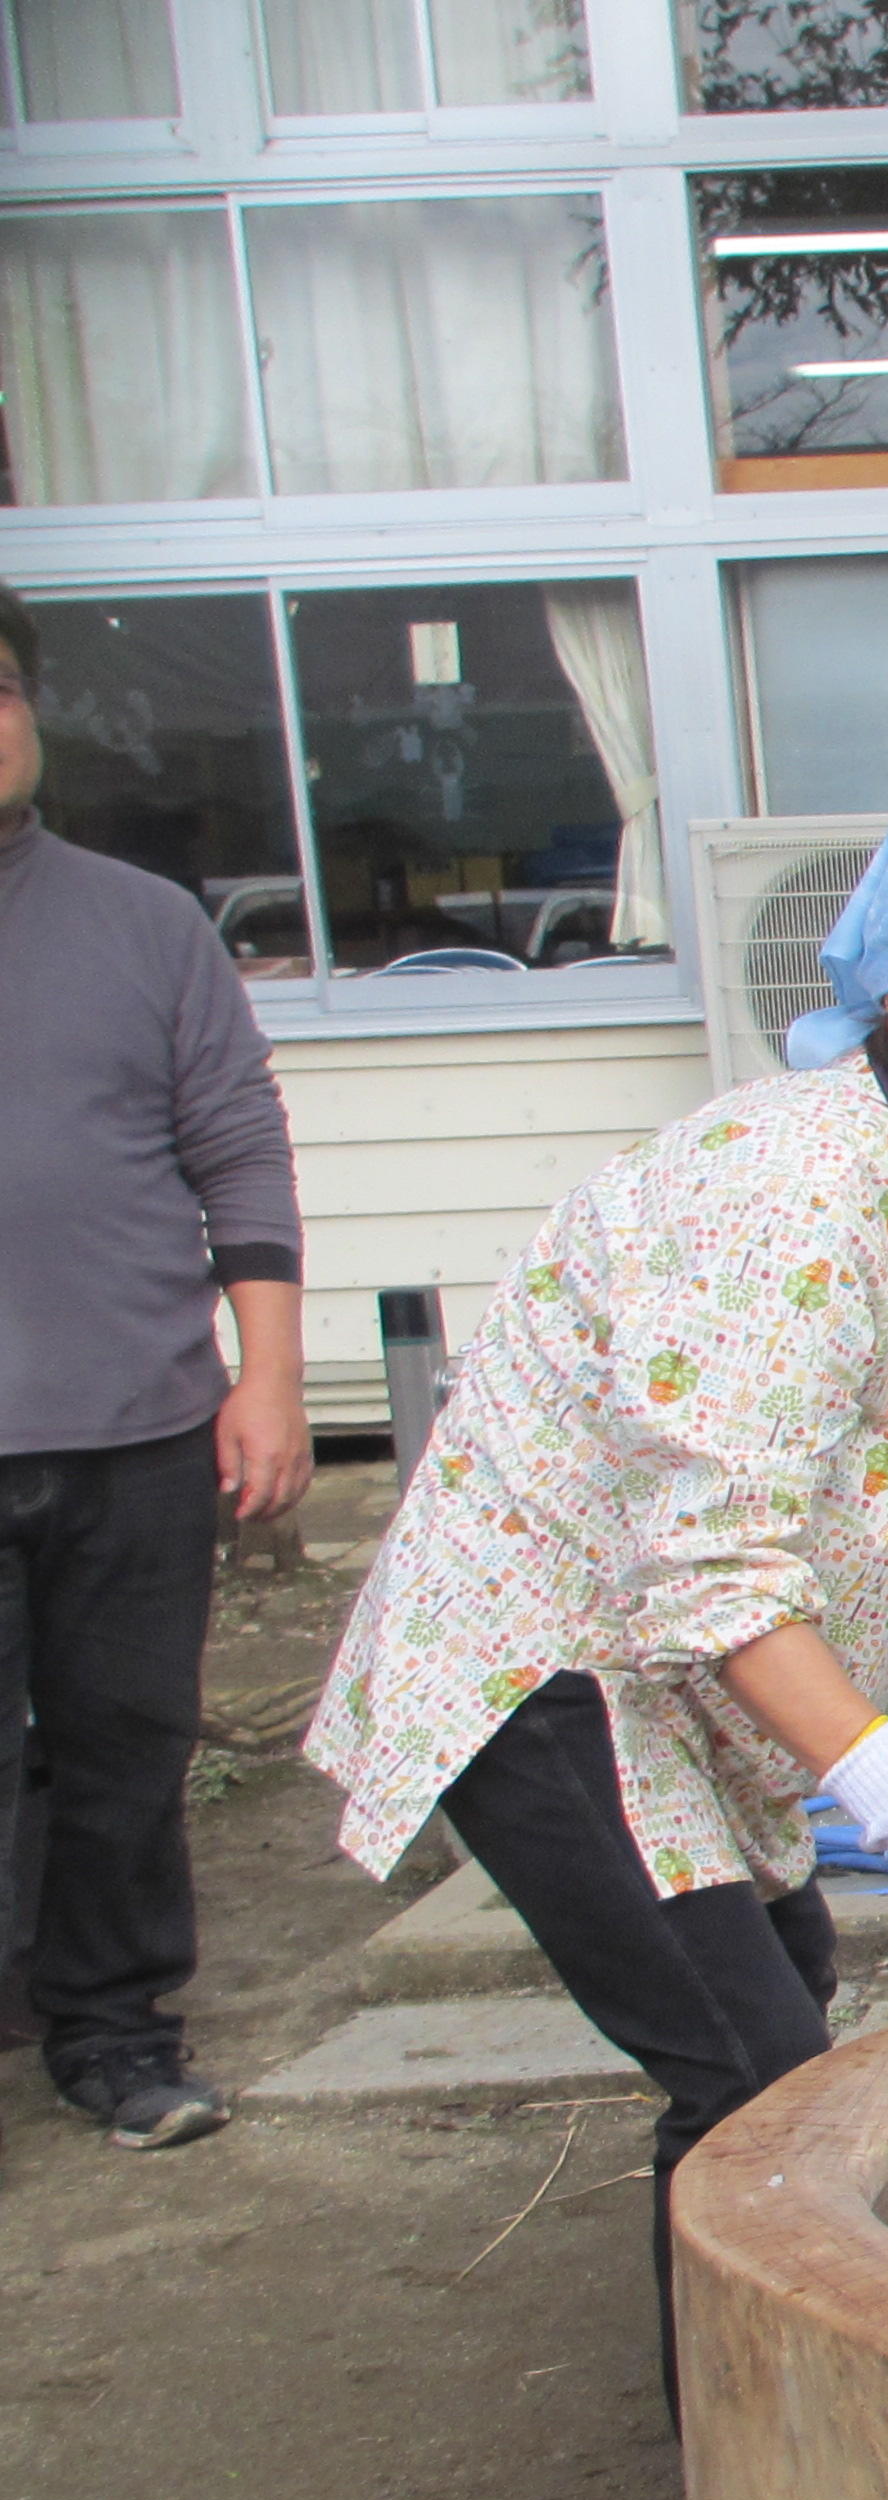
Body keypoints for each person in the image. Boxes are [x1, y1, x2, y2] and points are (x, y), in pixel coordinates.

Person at [308, 807, 888, 2409]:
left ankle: (753, 2427)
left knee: (778, 1997)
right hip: (551, 1656)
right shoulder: (785, 1196)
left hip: (692, 1668)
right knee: (761, 2084)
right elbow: (706, 1567)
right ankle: (756, 2488)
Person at [0, 578, 309, 2156]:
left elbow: (239, 1157)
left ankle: (115, 2034)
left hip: (133, 1424)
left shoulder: (139, 924)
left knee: (126, 1746)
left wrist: (264, 1377)